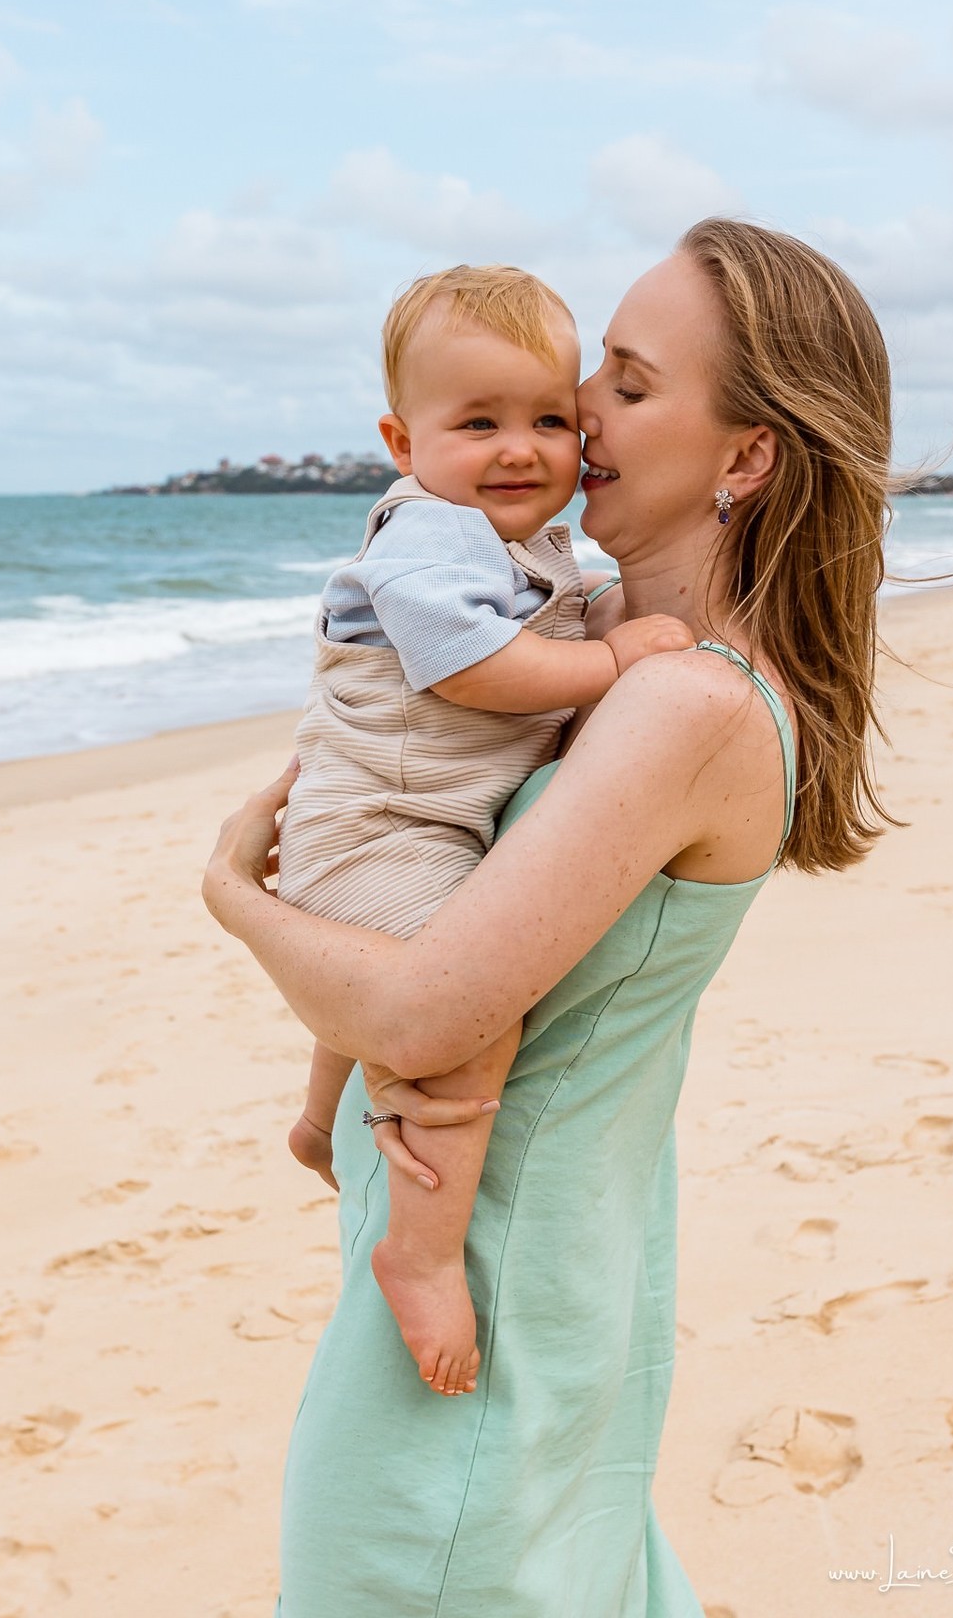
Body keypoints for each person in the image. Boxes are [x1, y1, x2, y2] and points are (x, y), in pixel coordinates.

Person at [203, 218, 895, 1617]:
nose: (580, 417)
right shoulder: (610, 663)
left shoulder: (678, 701)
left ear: (746, 457)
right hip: (550, 1282)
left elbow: (417, 1010)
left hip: (486, 1329)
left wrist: (231, 897)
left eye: (628, 387)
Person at [276, 262, 693, 1399]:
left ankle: (322, 1123)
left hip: (420, 824)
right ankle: (417, 1253)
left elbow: (549, 626)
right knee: (466, 1010)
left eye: (549, 419)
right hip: (377, 830)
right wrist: (611, 658)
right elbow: (467, 667)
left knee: (394, 965)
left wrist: (616, 624)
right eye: (479, 423)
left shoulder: (523, 548)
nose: (522, 450)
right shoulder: (432, 535)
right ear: (401, 443)